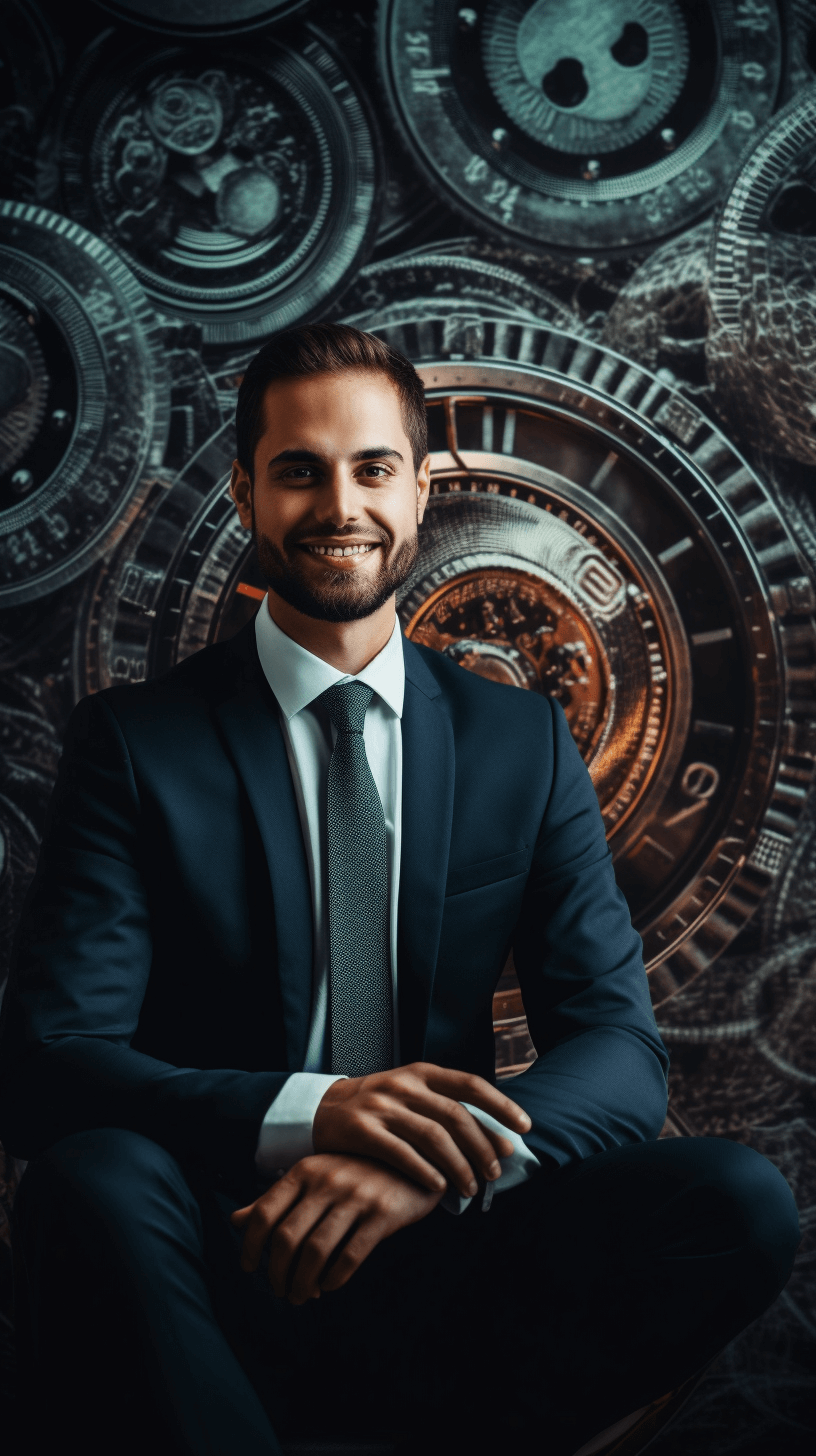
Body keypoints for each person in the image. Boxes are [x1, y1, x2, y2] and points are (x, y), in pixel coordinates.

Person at [0, 325, 799, 1456]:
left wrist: (426, 1164)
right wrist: (315, 1114)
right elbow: (48, 1061)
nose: (341, 504)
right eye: (299, 470)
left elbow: (619, 1048)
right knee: (90, 1176)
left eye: (373, 467)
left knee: (738, 1203)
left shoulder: (522, 742)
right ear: (246, 492)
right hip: (225, 1255)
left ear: (421, 491)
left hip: (453, 1257)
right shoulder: (136, 747)